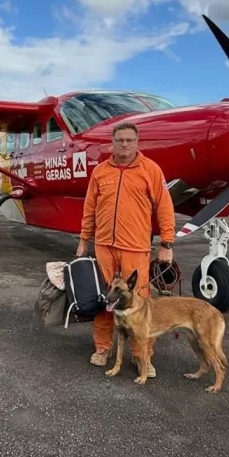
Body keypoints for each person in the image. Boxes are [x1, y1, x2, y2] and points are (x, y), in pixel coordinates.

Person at [77, 121, 176, 377]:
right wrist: (84, 238)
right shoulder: (100, 172)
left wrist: (167, 243)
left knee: (139, 303)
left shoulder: (150, 170)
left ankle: (142, 356)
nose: (124, 144)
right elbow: (89, 207)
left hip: (135, 247)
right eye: (119, 140)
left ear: (137, 142)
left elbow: (164, 207)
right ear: (112, 142)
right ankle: (102, 347)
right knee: (104, 299)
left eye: (129, 140)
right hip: (104, 246)